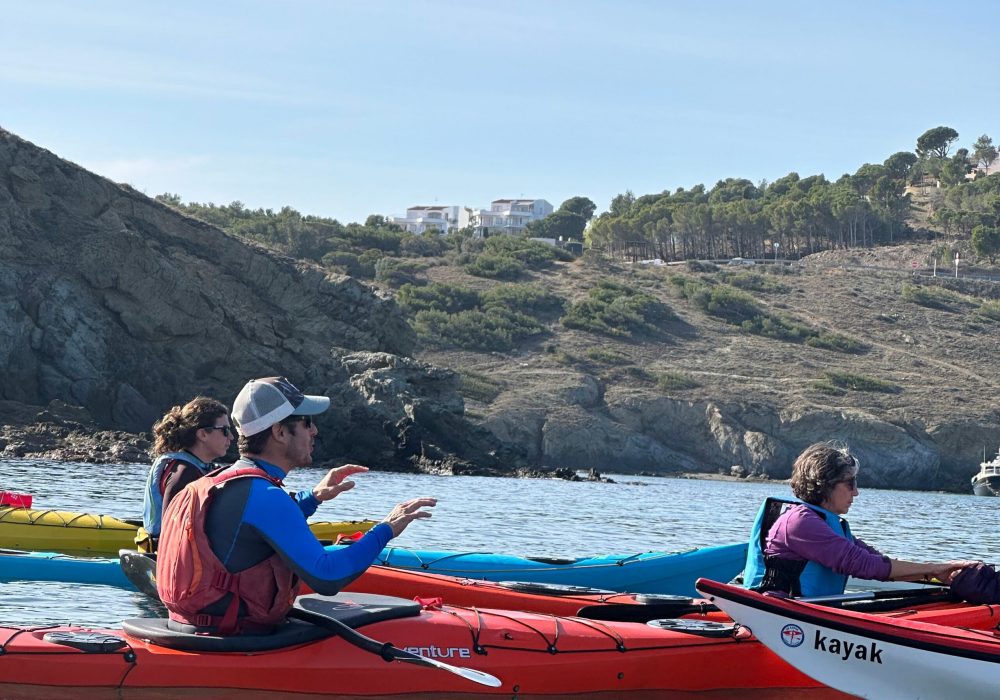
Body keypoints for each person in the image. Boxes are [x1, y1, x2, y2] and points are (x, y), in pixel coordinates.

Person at [156, 376, 436, 635]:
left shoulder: (227, 481)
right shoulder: (263, 494)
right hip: (232, 637)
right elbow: (327, 576)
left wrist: (313, 497)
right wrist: (386, 529)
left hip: (192, 626)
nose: (314, 431)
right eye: (306, 422)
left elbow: (248, 530)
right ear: (279, 432)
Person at [744, 442, 975, 598]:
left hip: (809, 611)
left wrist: (936, 574)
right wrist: (934, 568)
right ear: (824, 484)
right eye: (850, 483)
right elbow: (865, 565)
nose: (856, 492)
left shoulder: (826, 524)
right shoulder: (800, 522)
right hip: (775, 614)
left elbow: (878, 562)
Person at [140, 397, 233, 551]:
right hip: (167, 558)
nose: (231, 437)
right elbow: (172, 535)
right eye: (224, 430)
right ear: (202, 434)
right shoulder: (184, 474)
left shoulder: (196, 468)